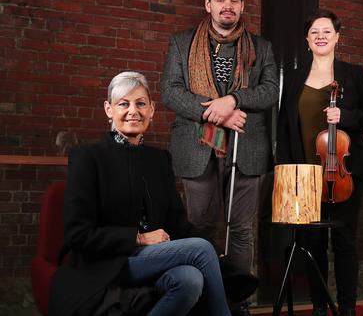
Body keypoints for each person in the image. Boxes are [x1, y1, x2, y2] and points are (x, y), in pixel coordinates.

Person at [48, 71, 242, 316]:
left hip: (154, 258)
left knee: (189, 279)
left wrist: (215, 251)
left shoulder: (159, 160)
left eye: (140, 103)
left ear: (151, 110)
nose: (133, 111)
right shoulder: (87, 157)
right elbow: (78, 235)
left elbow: (178, 224)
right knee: (200, 250)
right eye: (123, 104)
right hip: (108, 261)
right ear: (109, 109)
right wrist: (139, 238)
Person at [161, 0, 278, 315]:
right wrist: (219, 114)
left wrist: (235, 99)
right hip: (196, 148)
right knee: (199, 226)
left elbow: (270, 91)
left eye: (234, 0)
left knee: (241, 229)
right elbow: (171, 91)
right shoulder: (182, 42)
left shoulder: (262, 47)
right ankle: (202, 299)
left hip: (247, 149)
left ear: (242, 6)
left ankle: (236, 300)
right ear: (208, 4)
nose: (228, 6)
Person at [276, 9, 363, 316]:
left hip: (346, 172)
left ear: (337, 37)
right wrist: (287, 170)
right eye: (314, 32)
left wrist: (345, 117)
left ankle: (347, 307)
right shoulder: (295, 77)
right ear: (307, 40)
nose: (320, 36)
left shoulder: (352, 73)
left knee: (345, 242)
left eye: (327, 31)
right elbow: (284, 126)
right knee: (314, 242)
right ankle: (320, 306)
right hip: (307, 173)